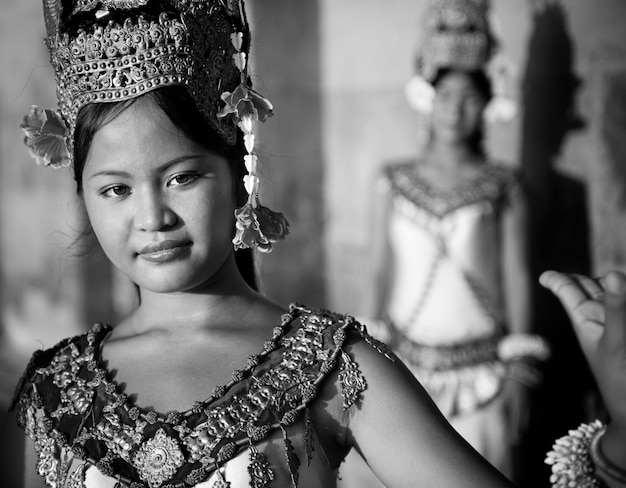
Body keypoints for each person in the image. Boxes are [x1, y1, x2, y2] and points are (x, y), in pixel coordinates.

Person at [8, 1, 626, 487]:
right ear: (83, 194)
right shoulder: (54, 393)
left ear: (238, 171)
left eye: (182, 176)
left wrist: (620, 445)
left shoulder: (335, 366)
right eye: (114, 189)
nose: (153, 217)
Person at [365, 0, 547, 478]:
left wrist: (520, 375)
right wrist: (365, 361)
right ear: (429, 99)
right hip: (402, 375)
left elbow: (517, 276)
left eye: (469, 98)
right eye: (446, 95)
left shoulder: (505, 186)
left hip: (483, 379)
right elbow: (380, 270)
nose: (455, 108)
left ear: (487, 104)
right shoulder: (392, 180)